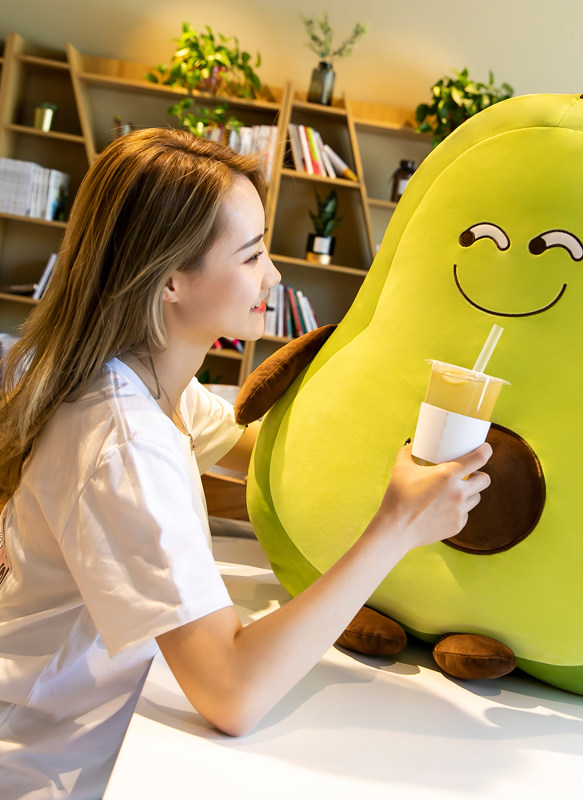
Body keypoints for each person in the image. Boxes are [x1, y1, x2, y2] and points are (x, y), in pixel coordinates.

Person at [0, 128, 491, 798]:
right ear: (170, 280)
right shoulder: (126, 441)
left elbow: (275, 455)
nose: (274, 276)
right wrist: (396, 528)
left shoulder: (151, 385)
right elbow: (231, 692)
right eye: (253, 254)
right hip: (48, 767)